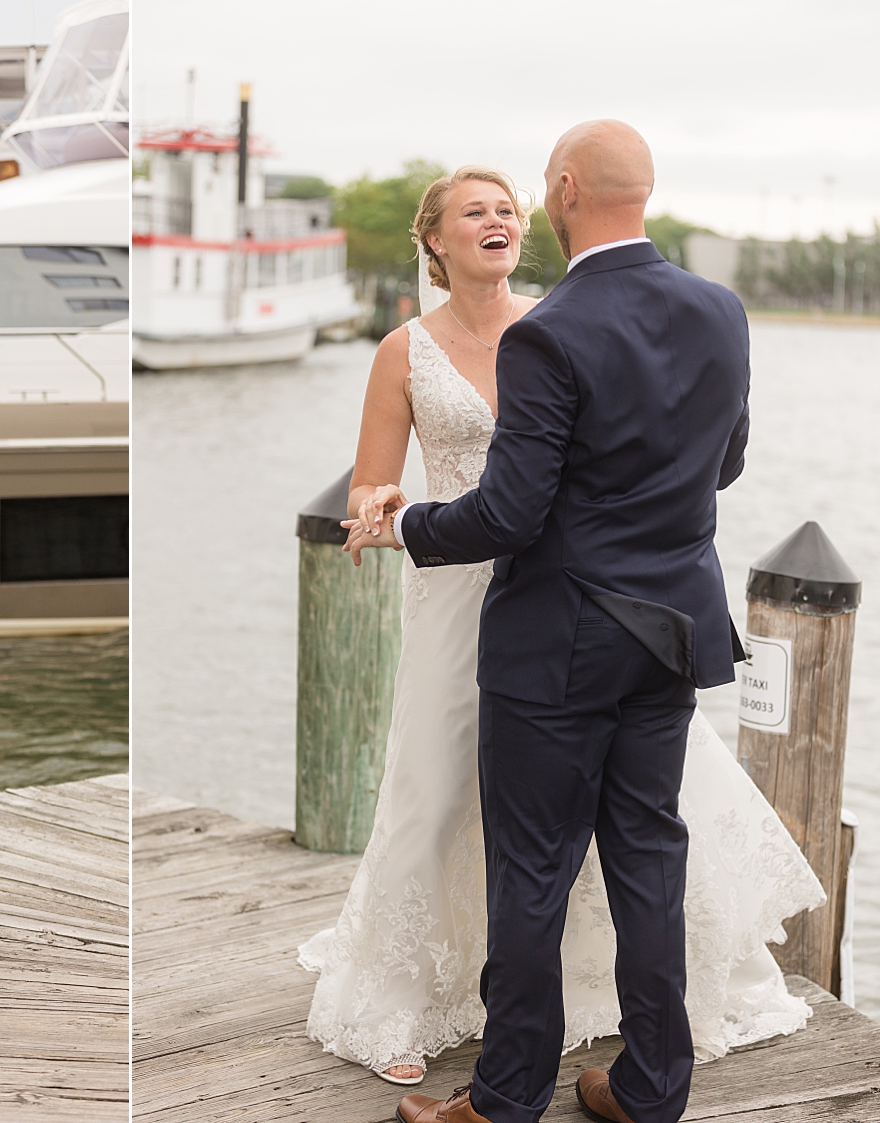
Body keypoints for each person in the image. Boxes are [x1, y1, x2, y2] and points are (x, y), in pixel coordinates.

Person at [298, 131, 825, 1123]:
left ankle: (501, 1101)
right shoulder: (720, 308)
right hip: (672, 630)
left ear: (566, 193)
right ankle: (650, 1088)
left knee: (533, 871)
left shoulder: (551, 330)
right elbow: (725, 464)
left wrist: (407, 520)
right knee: (647, 861)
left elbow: (507, 517)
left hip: (560, 641)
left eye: (533, 192)